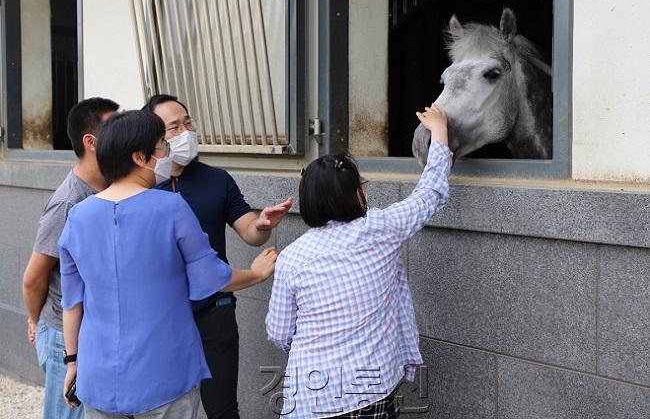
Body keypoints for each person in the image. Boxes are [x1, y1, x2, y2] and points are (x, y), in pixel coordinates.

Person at [58, 110, 278, 418]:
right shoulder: (171, 207)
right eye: (161, 145)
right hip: (163, 372)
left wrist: (72, 362)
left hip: (97, 374)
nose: (166, 152)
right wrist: (256, 273)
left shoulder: (78, 216)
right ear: (140, 156)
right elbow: (211, 278)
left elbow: (72, 303)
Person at [265, 105, 452, 418]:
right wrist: (440, 132)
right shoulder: (378, 230)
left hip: (309, 398)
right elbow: (429, 193)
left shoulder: (292, 257)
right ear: (356, 195)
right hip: (368, 393)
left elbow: (279, 331)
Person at [142, 94, 292, 419]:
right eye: (174, 127)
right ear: (154, 138)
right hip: (160, 317)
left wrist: (263, 223)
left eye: (188, 122)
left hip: (215, 309)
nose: (186, 131)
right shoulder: (141, 185)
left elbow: (250, 231)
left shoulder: (216, 178)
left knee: (222, 408)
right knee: (164, 408)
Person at [22, 97, 119, 419]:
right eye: (113, 127)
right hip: (66, 333)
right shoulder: (69, 202)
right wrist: (37, 321)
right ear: (90, 142)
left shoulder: (112, 188)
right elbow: (34, 277)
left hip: (95, 327)